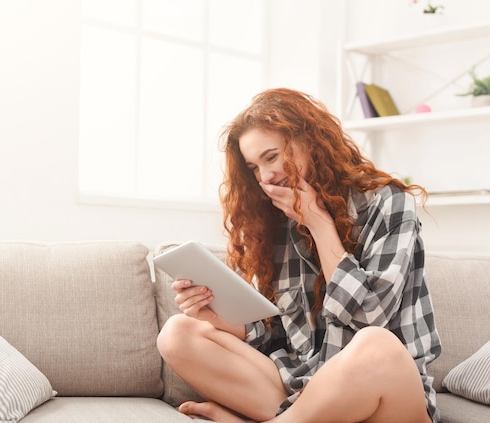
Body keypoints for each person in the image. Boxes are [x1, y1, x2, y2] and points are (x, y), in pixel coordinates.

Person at [156, 88, 442, 423]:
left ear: (310, 139)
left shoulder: (388, 203)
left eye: (271, 157)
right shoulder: (275, 221)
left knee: (378, 345)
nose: (265, 177)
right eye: (254, 167)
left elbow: (370, 317)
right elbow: (278, 335)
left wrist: (318, 222)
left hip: (386, 399)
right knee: (179, 333)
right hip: (306, 393)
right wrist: (221, 322)